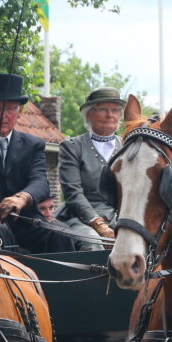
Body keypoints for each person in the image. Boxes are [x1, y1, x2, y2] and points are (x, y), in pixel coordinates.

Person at [0, 73, 73, 254]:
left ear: (20, 112)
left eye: (10, 109)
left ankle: (63, 282)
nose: (3, 115)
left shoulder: (34, 145)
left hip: (24, 218)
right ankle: (6, 282)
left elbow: (41, 182)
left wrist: (22, 198)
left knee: (60, 233)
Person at [56, 86, 123, 250]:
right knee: (93, 243)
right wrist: (98, 223)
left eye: (115, 110)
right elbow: (73, 193)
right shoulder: (72, 146)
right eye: (103, 109)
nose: (110, 115)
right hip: (81, 218)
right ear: (89, 114)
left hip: (120, 217)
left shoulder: (129, 146)